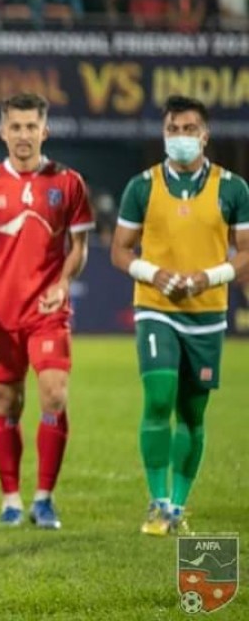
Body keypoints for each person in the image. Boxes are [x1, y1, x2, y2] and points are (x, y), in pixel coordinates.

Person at [110, 96, 249, 536]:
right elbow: (119, 249)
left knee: (193, 414)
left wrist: (211, 277)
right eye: (174, 129)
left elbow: (246, 253)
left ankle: (178, 508)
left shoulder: (233, 189)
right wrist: (154, 273)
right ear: (164, 134)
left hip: (207, 313)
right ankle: (157, 503)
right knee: (159, 397)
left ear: (205, 136)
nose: (182, 137)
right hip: (157, 307)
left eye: (190, 129)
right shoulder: (142, 187)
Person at [0, 93, 94, 530]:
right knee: (8, 401)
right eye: (15, 126)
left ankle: (44, 498)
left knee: (54, 393)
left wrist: (63, 281)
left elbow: (80, 249)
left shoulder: (68, 182)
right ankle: (11, 499)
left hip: (48, 311)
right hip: (0, 313)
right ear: (3, 131)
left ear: (44, 130)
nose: (22, 135)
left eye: (31, 126)